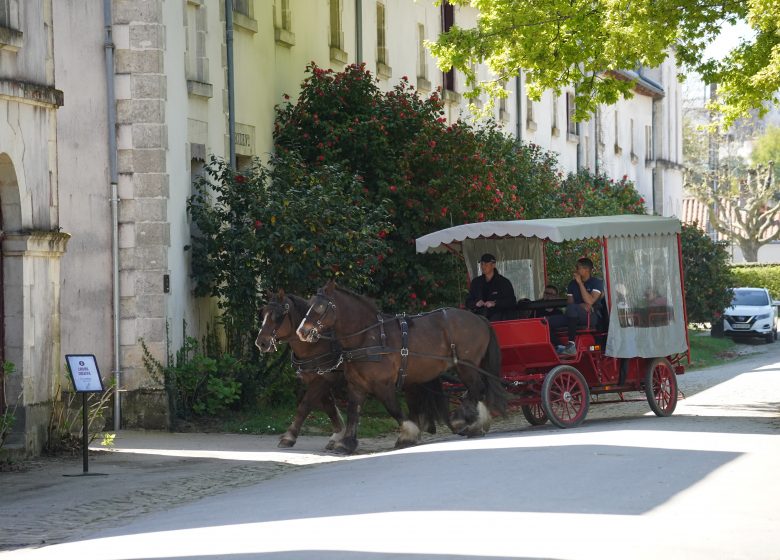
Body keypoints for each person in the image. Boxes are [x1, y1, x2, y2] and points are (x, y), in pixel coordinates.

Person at [547, 257, 604, 356]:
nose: (575, 270)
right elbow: (570, 304)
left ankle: (571, 345)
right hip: (573, 315)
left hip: (590, 316)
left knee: (573, 308)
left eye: (578, 268)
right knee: (546, 322)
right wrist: (580, 305)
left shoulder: (596, 282)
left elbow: (590, 301)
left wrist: (580, 284)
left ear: (586, 270)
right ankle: (560, 346)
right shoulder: (572, 284)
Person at [466, 253, 517, 321]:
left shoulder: (504, 282)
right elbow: (468, 302)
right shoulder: (476, 282)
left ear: (493, 265)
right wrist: (476, 303)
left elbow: (512, 302)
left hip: (499, 320)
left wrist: (495, 303)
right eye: (482, 264)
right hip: (479, 321)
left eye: (486, 264)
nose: (483, 266)